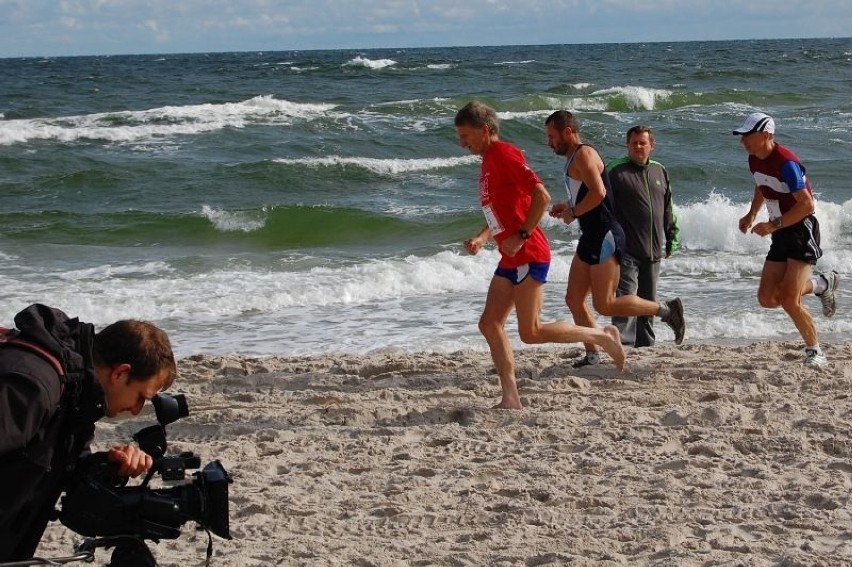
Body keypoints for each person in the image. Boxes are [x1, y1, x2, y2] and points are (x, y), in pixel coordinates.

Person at [454, 101, 626, 410]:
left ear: (486, 130)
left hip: (529, 253)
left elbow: (541, 196)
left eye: (466, 135)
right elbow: (502, 212)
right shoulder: (488, 161)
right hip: (511, 258)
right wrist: (482, 238)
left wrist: (520, 237)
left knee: (530, 332)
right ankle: (510, 397)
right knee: (489, 324)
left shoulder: (505, 154)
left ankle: (601, 337)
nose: (462, 142)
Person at [0, 303, 177, 561]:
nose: (137, 410)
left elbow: (59, 467)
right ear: (121, 373)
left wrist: (109, 465)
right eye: (141, 396)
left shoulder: (76, 390)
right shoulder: (33, 387)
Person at [544, 110, 686, 367]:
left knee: (606, 304)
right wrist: (568, 205)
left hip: (605, 235)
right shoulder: (573, 158)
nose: (549, 142)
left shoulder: (585, 154)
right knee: (573, 300)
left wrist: (574, 212)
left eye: (552, 136)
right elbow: (595, 193)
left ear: (568, 132)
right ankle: (592, 354)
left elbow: (598, 193)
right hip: (590, 235)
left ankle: (667, 311)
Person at [733, 112, 840, 367]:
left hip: (801, 231)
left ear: (766, 135)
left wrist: (772, 225)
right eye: (742, 136)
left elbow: (806, 205)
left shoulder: (786, 163)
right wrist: (751, 214)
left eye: (748, 135)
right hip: (780, 233)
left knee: (790, 300)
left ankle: (815, 351)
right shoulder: (754, 159)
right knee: (768, 298)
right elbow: (762, 186)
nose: (743, 141)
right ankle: (822, 284)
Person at [607, 125, 681, 347]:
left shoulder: (660, 171)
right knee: (626, 302)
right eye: (634, 143)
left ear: (652, 145)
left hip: (653, 249)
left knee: (648, 303)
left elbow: (669, 207)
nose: (638, 146)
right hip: (625, 249)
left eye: (642, 142)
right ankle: (623, 345)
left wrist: (672, 236)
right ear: (627, 145)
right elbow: (600, 205)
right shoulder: (616, 171)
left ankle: (646, 345)